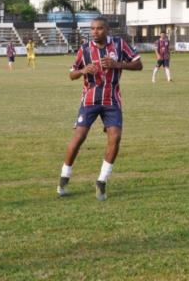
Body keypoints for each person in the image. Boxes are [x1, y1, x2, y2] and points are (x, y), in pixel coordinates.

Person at [57, 17, 142, 200]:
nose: (95, 32)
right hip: (89, 100)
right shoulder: (84, 49)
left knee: (116, 137)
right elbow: (71, 74)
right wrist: (82, 71)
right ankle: (64, 176)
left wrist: (117, 64)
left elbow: (138, 64)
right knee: (79, 137)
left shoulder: (119, 45)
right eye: (93, 29)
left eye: (100, 28)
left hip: (112, 100)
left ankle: (102, 180)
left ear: (107, 30)